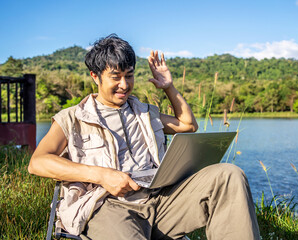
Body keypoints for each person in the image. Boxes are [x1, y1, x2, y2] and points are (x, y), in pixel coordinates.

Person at [28, 34, 260, 240]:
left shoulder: (146, 113)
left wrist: (168, 87)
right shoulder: (72, 118)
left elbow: (188, 125)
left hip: (161, 202)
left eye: (129, 76)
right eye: (115, 77)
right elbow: (38, 163)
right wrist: (101, 175)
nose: (124, 85)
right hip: (108, 206)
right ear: (95, 76)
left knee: (229, 174)